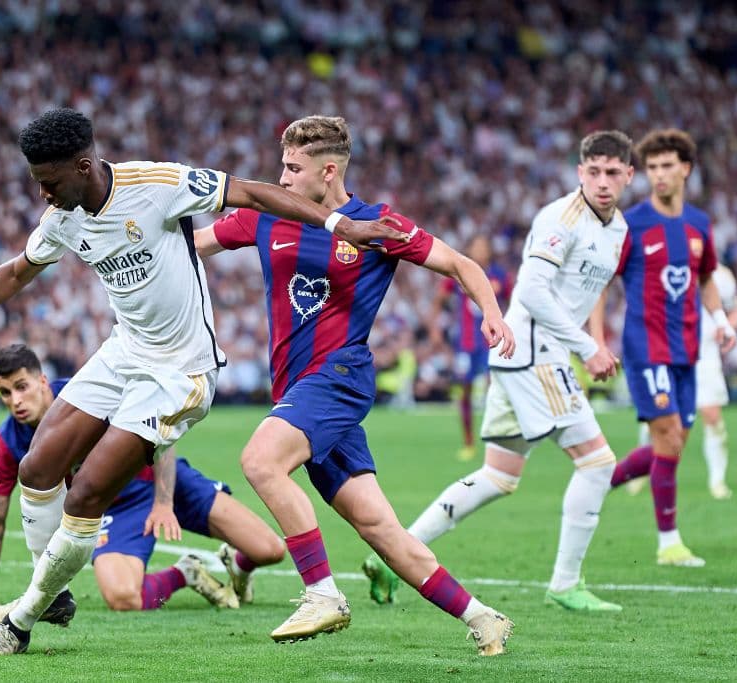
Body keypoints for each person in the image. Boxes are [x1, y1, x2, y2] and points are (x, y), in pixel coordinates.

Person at [0, 108, 407, 656]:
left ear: (83, 166)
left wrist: (339, 224)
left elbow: (255, 195)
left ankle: (21, 622)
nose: (44, 195)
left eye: (49, 183)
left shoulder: (159, 184)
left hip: (181, 372)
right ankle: (57, 593)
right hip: (124, 354)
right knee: (38, 467)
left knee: (88, 491)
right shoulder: (64, 217)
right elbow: (15, 272)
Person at [195, 115, 517, 655]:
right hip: (298, 395)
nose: (282, 176)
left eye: (293, 168)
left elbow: (460, 264)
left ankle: (322, 594)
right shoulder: (264, 216)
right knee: (380, 528)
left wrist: (491, 313)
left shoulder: (376, 224)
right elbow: (194, 244)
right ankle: (484, 619)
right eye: (282, 165)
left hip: (339, 378)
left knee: (259, 462)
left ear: (328, 171)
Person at [366, 130, 635, 612]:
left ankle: (393, 556)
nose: (602, 181)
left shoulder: (617, 230)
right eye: (593, 171)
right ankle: (565, 583)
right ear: (579, 172)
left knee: (498, 476)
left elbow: (588, 294)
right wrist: (587, 347)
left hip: (525, 354)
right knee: (598, 464)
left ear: (627, 175)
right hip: (535, 353)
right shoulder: (561, 218)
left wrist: (591, 340)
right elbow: (531, 291)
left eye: (612, 172)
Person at [0, 344, 284, 620]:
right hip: (117, 505)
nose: (15, 400)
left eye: (21, 387)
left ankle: (239, 566)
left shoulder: (87, 394)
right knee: (122, 598)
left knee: (270, 550)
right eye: (5, 393)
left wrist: (164, 503)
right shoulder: (9, 440)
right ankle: (184, 572)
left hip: (163, 477)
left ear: (42, 381)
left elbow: (161, 429)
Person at [602, 129, 736, 567]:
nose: (658, 174)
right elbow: (604, 278)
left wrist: (719, 321)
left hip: (688, 348)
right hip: (645, 346)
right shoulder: (633, 223)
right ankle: (669, 543)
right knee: (667, 435)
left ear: (685, 169)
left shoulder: (699, 224)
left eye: (666, 166)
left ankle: (599, 479)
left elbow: (707, 277)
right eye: (652, 167)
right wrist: (596, 335)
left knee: (674, 444)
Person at [626, 261, 737, 500]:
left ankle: (717, 481)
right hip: (671, 353)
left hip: (706, 355)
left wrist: (726, 328)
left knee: (712, 415)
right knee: (659, 419)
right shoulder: (668, 266)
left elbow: (735, 312)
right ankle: (642, 470)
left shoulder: (722, 276)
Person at [427, 235, 512, 461]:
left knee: (495, 388)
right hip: (465, 344)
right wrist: (435, 329)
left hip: (492, 343)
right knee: (464, 391)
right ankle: (468, 441)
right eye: (476, 245)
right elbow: (438, 301)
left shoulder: (500, 275)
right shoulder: (459, 270)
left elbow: (513, 302)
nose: (480, 249)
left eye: (484, 245)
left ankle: (497, 439)